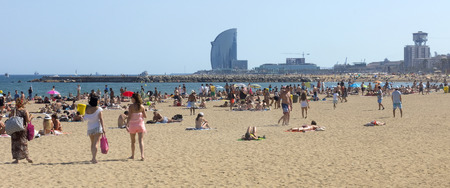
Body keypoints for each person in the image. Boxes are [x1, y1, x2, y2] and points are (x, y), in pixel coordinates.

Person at [9, 99, 33, 163]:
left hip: (15, 128)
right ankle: (27, 157)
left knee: (15, 143)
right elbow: (28, 121)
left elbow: (10, 117)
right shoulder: (25, 111)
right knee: (24, 143)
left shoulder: (14, 111)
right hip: (22, 128)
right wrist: (31, 117)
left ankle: (17, 159)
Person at [83, 96, 105, 164]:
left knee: (92, 143)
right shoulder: (99, 109)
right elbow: (101, 119)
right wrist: (103, 128)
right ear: (96, 101)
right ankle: (94, 159)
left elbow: (85, 118)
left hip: (90, 127)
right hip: (97, 127)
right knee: (95, 144)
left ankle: (93, 157)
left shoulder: (87, 109)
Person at [126, 93, 147, 161]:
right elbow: (145, 116)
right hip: (140, 125)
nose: (131, 99)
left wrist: (126, 125)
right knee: (141, 141)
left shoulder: (131, 106)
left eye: (131, 98)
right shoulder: (142, 106)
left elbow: (129, 117)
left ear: (134, 99)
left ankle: (132, 155)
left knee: (133, 141)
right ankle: (142, 155)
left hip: (132, 125)